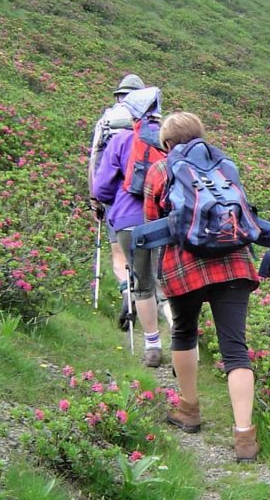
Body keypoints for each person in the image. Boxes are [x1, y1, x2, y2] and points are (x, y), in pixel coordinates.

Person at [143, 112, 261, 462]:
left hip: (184, 266)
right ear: (200, 135)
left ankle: (189, 410)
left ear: (166, 144)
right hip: (235, 263)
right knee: (236, 350)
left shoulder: (161, 169)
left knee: (184, 332)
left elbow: (152, 222)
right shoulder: (225, 165)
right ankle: (244, 439)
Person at [92, 86, 166, 367]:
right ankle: (187, 342)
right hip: (165, 219)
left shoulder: (121, 139)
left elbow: (101, 187)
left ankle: (152, 346)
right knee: (168, 284)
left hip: (128, 220)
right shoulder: (168, 140)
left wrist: (114, 206)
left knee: (142, 284)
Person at [89, 74, 144, 328]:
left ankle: (126, 291)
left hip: (115, 199)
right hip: (148, 199)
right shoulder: (151, 124)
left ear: (118, 95)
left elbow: (95, 161)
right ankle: (149, 306)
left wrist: (95, 199)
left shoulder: (107, 121)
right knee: (147, 255)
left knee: (118, 252)